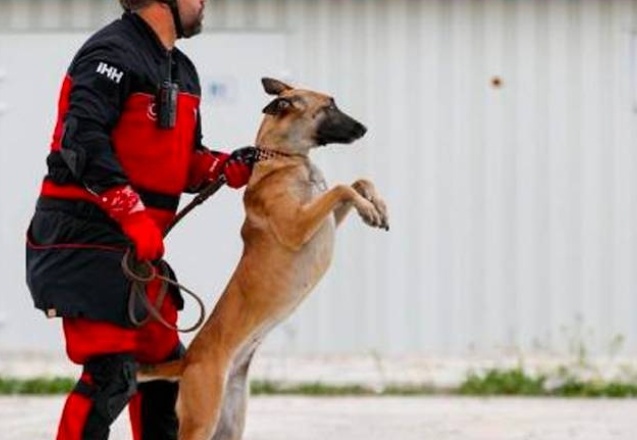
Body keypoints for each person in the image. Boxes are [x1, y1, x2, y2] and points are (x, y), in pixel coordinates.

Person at [25, 1, 255, 439]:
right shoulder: (110, 54)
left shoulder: (181, 70)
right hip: (84, 239)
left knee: (167, 371)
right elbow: (83, 142)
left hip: (134, 248)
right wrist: (131, 215)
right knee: (111, 374)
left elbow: (186, 161)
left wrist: (221, 168)